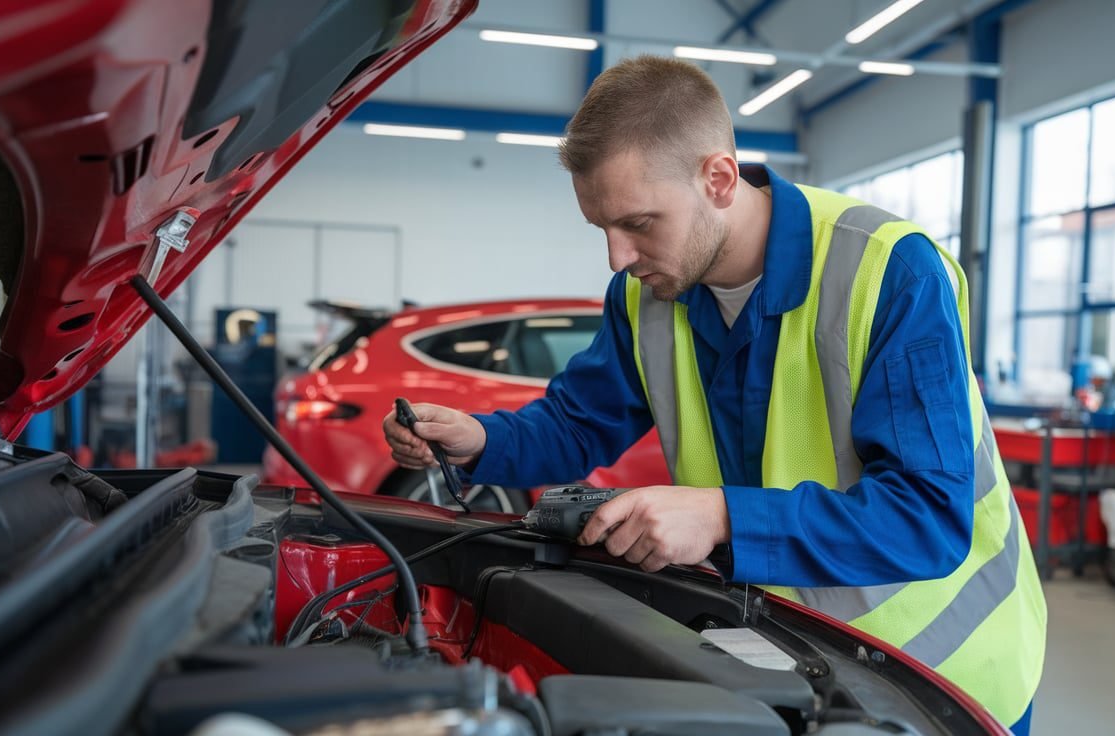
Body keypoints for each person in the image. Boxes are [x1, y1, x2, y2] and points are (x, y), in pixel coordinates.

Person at [384, 55, 1045, 733]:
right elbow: (578, 423)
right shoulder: (645, 296)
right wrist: (480, 439)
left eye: (639, 223)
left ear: (719, 179)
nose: (617, 257)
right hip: (787, 654)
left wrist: (722, 517)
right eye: (602, 229)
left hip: (937, 681)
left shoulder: (889, 271)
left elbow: (926, 518)